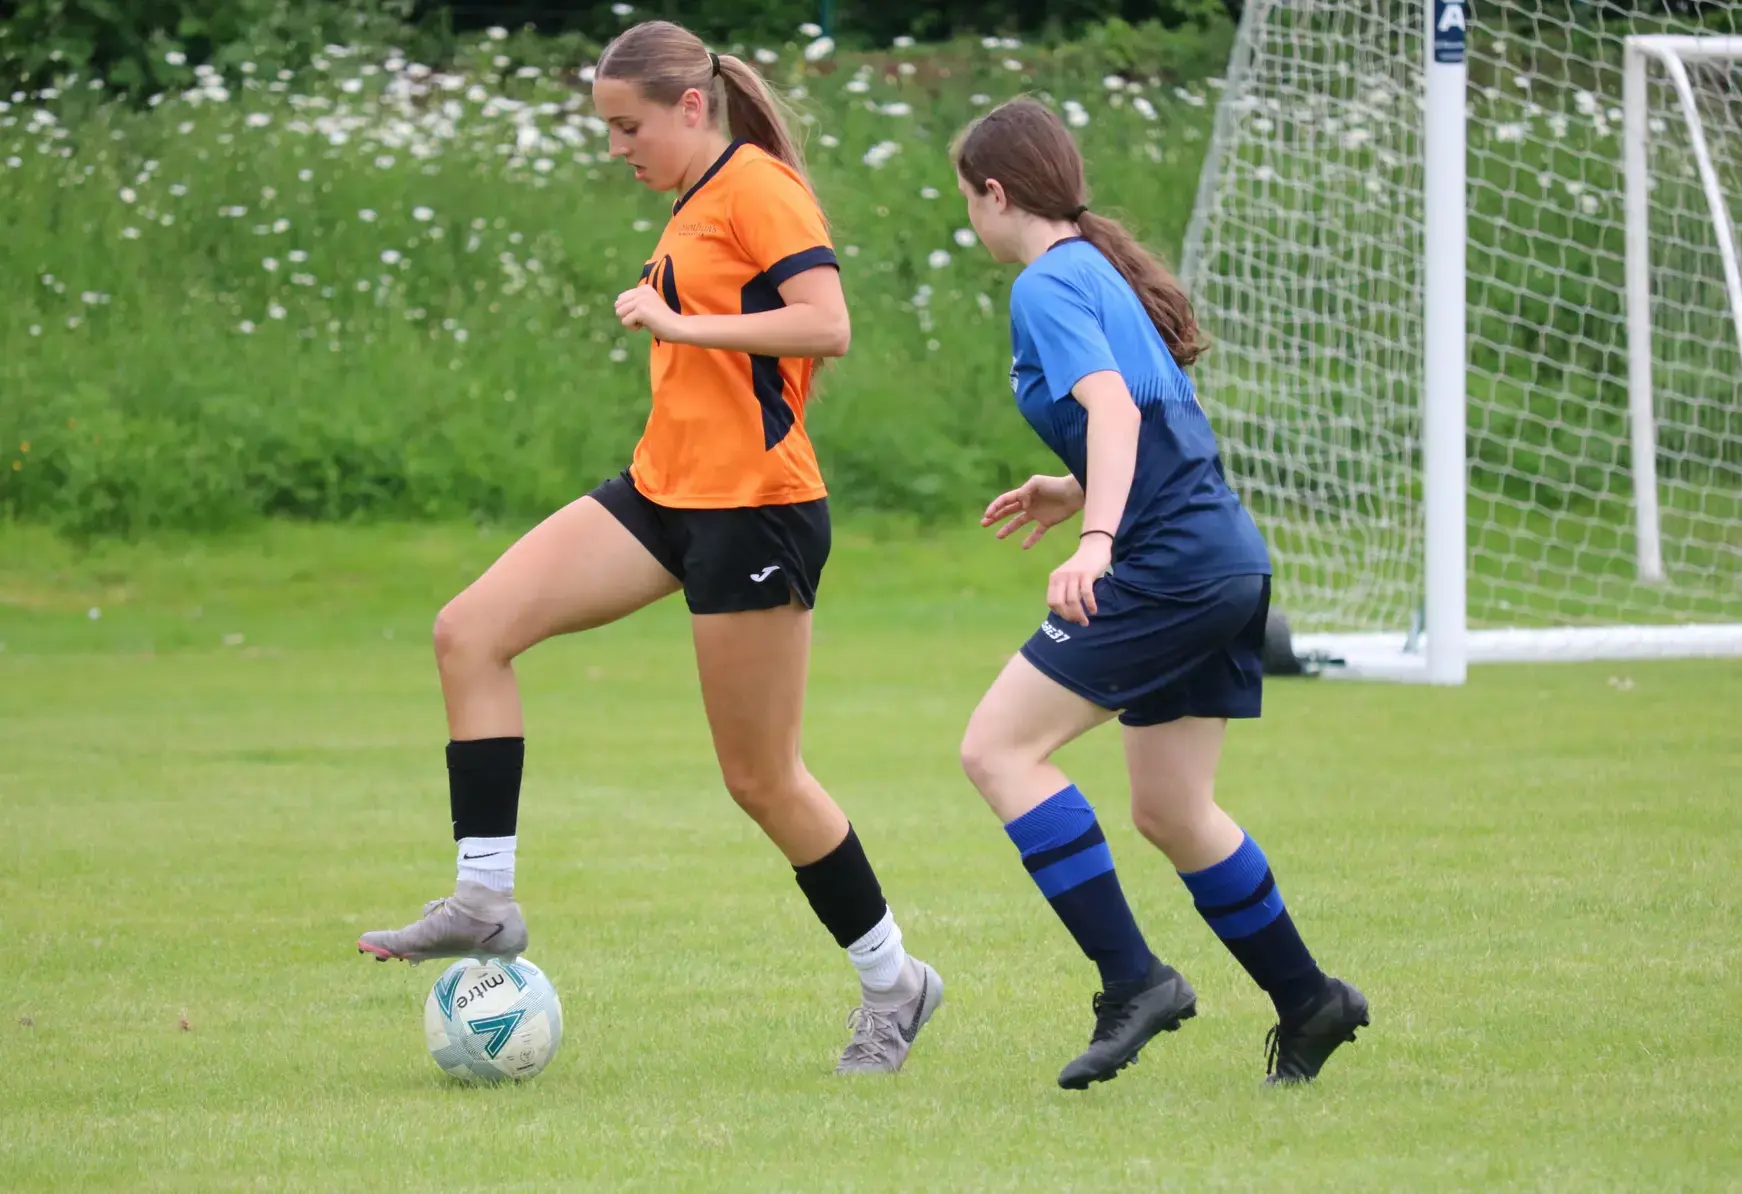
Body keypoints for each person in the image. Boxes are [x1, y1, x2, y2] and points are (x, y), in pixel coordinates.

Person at [356, 19, 942, 1076]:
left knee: (761, 779)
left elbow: (826, 325)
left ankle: (894, 981)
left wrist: (683, 329)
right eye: (606, 131)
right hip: (660, 493)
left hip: (754, 511)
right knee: (469, 632)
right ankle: (485, 900)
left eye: (628, 127)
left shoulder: (757, 185)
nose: (617, 148)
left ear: (688, 106)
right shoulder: (691, 197)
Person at [950, 98, 1368, 1089]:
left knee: (997, 750)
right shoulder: (1097, 267)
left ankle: (1133, 982)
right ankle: (1311, 1001)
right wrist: (1076, 489)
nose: (969, 218)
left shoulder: (1046, 282)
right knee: (1174, 810)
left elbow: (1106, 406)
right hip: (1221, 558)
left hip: (1168, 562)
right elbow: (1148, 420)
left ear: (995, 193)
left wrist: (1094, 539)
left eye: (966, 199)